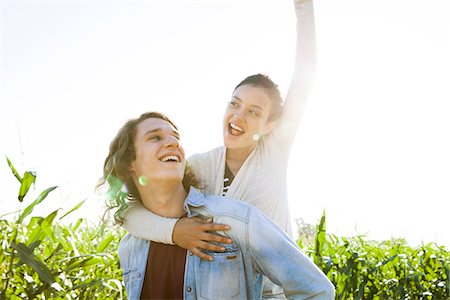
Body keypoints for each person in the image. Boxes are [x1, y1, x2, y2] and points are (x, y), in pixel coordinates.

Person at [123, 0, 316, 257]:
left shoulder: (275, 151)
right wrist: (175, 231)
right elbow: (130, 214)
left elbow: (306, 70)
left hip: (274, 294)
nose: (238, 116)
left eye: (253, 112)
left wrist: (304, 7)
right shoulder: (198, 166)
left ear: (269, 125)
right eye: (234, 104)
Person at [101, 112, 335, 299]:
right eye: (155, 137)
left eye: (175, 137)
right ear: (129, 163)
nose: (173, 142)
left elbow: (316, 290)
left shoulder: (237, 222)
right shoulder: (130, 246)